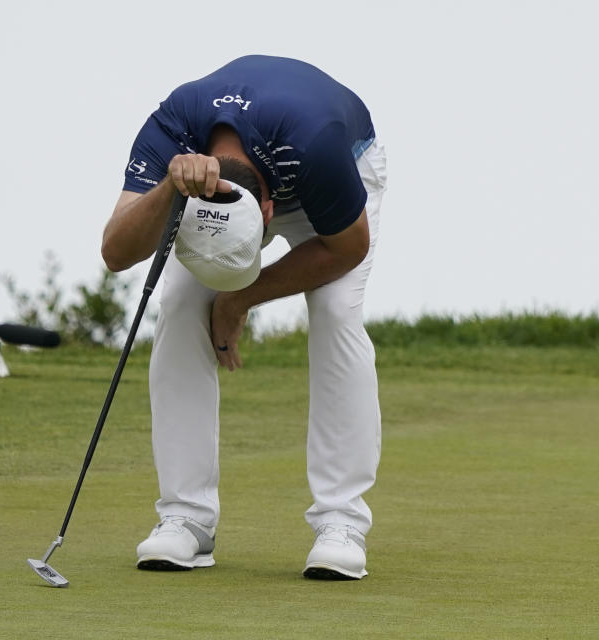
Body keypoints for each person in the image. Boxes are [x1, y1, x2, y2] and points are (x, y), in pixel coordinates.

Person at [101, 55, 387, 580]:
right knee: (182, 303)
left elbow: (346, 249)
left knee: (335, 311)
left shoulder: (319, 149)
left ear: (270, 216)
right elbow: (116, 252)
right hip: (203, 183)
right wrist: (170, 187)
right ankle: (186, 519)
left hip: (333, 171)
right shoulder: (172, 128)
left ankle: (341, 522)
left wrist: (238, 299)